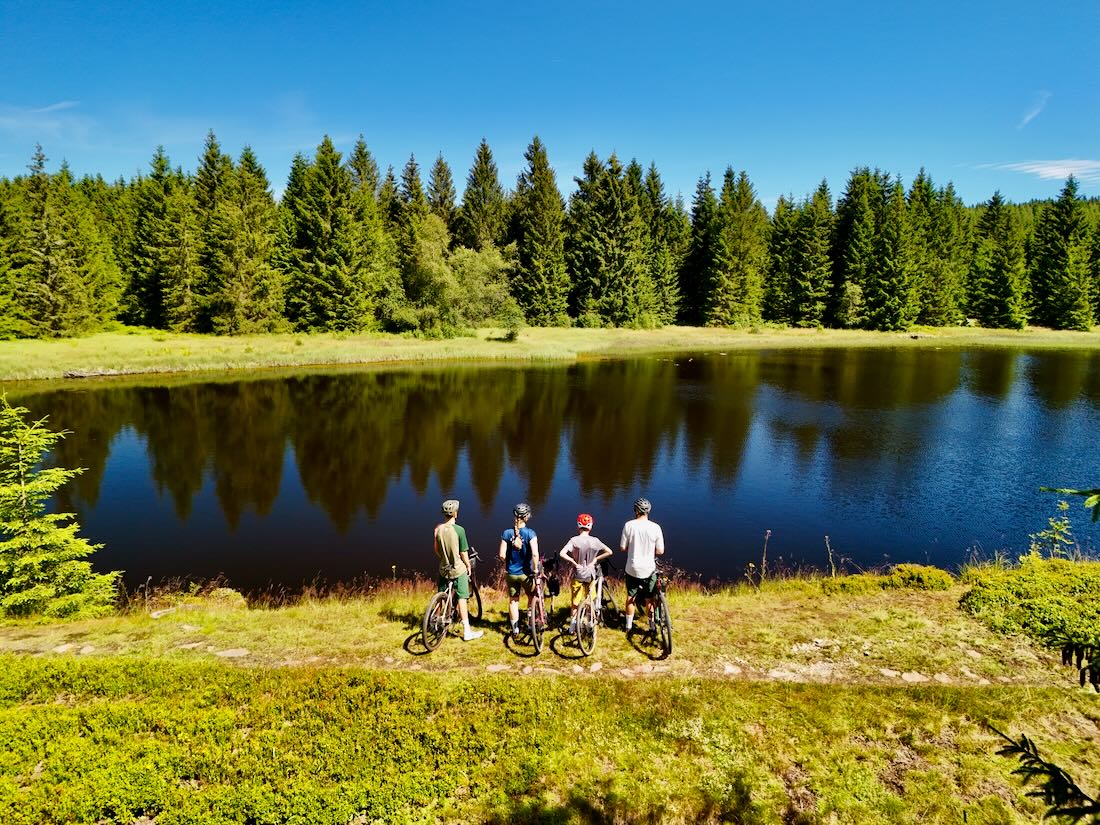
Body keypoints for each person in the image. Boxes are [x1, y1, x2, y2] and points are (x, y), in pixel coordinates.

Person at [434, 499, 482, 641]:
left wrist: (444, 557)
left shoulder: (438, 529)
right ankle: (467, 631)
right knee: (462, 597)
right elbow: (463, 553)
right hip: (457, 569)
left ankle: (435, 623)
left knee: (441, 595)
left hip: (443, 568)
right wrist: (467, 566)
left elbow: (436, 550)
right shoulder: (459, 530)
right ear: (455, 513)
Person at [560, 513, 613, 635]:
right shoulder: (595, 541)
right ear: (590, 527)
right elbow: (609, 551)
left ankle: (572, 628)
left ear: (578, 526)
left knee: (575, 603)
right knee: (590, 599)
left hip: (578, 574)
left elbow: (563, 553)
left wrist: (573, 561)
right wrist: (595, 559)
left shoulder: (574, 540)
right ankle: (590, 623)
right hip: (590, 575)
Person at [620, 497, 665, 633]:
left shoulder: (629, 525)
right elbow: (660, 551)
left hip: (632, 568)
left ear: (635, 511)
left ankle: (628, 626)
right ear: (648, 512)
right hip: (649, 569)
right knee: (649, 598)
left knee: (630, 597)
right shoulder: (656, 527)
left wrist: (632, 548)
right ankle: (651, 626)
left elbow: (622, 548)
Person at [499, 502, 539, 640]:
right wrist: (535, 569)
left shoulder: (506, 533)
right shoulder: (530, 533)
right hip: (526, 574)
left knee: (513, 601)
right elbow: (534, 554)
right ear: (526, 517)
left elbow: (502, 555)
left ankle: (515, 629)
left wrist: (509, 562)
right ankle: (529, 624)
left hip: (511, 574)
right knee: (532, 597)